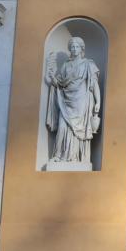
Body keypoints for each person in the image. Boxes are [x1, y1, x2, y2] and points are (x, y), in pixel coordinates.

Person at [45, 36, 102, 165]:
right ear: (70, 49)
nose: (74, 49)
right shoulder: (65, 65)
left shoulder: (88, 64)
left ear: (82, 49)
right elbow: (59, 84)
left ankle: (77, 158)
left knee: (78, 130)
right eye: (72, 47)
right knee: (62, 127)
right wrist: (51, 77)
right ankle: (59, 155)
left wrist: (98, 101)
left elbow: (94, 85)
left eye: (77, 47)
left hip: (81, 101)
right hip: (66, 101)